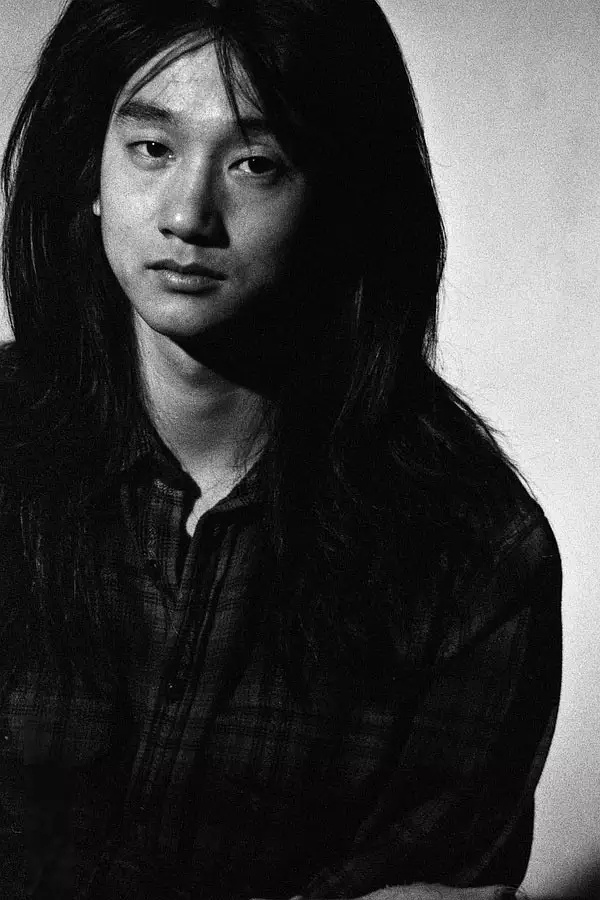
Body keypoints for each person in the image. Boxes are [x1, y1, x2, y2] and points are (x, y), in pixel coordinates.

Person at [0, 0, 562, 897]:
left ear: (341, 197)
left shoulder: (472, 554)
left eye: (255, 164)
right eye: (151, 148)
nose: (188, 214)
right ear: (89, 171)